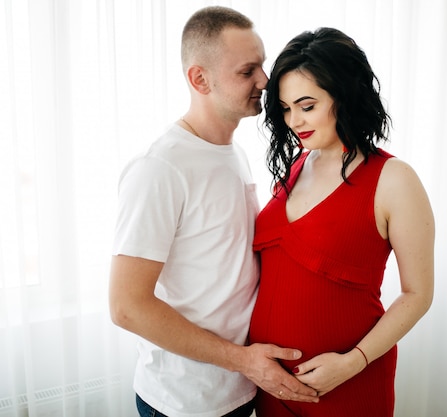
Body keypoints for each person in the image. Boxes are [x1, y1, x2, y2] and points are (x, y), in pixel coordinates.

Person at [109, 6, 319, 417]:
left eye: (263, 65)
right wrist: (244, 361)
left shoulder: (232, 152)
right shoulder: (160, 168)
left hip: (239, 391)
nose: (265, 81)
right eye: (248, 71)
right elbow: (126, 306)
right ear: (199, 79)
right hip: (186, 403)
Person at [248, 27, 435, 416]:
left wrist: (353, 362)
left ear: (344, 97)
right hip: (274, 385)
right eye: (284, 108)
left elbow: (418, 294)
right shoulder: (299, 164)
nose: (294, 121)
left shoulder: (394, 179)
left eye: (307, 105)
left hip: (346, 383)